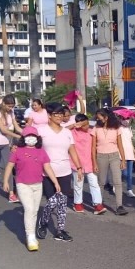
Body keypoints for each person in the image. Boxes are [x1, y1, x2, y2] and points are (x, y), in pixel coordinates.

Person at [3, 126, 60, 252]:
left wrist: (55, 182)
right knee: (29, 209)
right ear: (23, 138)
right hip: (22, 184)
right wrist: (5, 181)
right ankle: (30, 236)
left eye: (33, 136)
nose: (31, 138)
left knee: (34, 210)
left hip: (37, 185)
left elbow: (48, 168)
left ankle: (31, 234)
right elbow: (9, 166)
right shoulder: (17, 151)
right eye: (28, 136)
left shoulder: (41, 151)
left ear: (37, 138)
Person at [35, 103, 82, 241]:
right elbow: (30, 145)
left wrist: (79, 167)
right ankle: (43, 222)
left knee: (62, 202)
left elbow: (72, 150)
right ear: (49, 115)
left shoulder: (67, 132)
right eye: (56, 114)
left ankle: (60, 230)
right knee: (51, 202)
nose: (60, 116)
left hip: (65, 171)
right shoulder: (41, 131)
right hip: (47, 172)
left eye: (61, 114)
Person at [92, 108, 127, 215]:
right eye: (97, 117)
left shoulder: (116, 127)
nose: (98, 118)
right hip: (101, 156)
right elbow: (93, 147)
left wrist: (123, 159)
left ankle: (119, 206)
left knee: (117, 181)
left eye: (100, 116)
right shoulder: (96, 128)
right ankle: (99, 204)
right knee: (101, 182)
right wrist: (94, 162)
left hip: (114, 156)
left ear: (106, 117)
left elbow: (120, 144)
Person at [0, 94, 21, 202]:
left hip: (5, 143)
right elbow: (3, 130)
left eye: (12, 106)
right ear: (4, 103)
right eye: (9, 106)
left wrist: (29, 134)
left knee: (9, 166)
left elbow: (17, 127)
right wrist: (18, 136)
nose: (11, 108)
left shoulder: (11, 112)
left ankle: (11, 193)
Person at [70, 113, 104, 214]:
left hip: (90, 162)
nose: (86, 126)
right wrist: (73, 125)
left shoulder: (91, 132)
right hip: (77, 163)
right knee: (78, 184)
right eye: (84, 125)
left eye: (87, 124)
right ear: (78, 124)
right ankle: (78, 204)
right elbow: (62, 130)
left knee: (94, 183)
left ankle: (98, 205)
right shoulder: (72, 132)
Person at [119, 113, 135, 197]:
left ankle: (129, 189)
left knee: (130, 174)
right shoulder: (119, 128)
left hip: (130, 152)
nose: (126, 120)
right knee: (124, 173)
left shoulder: (129, 129)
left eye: (128, 118)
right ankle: (117, 185)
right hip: (122, 153)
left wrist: (134, 151)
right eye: (124, 118)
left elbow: (130, 141)